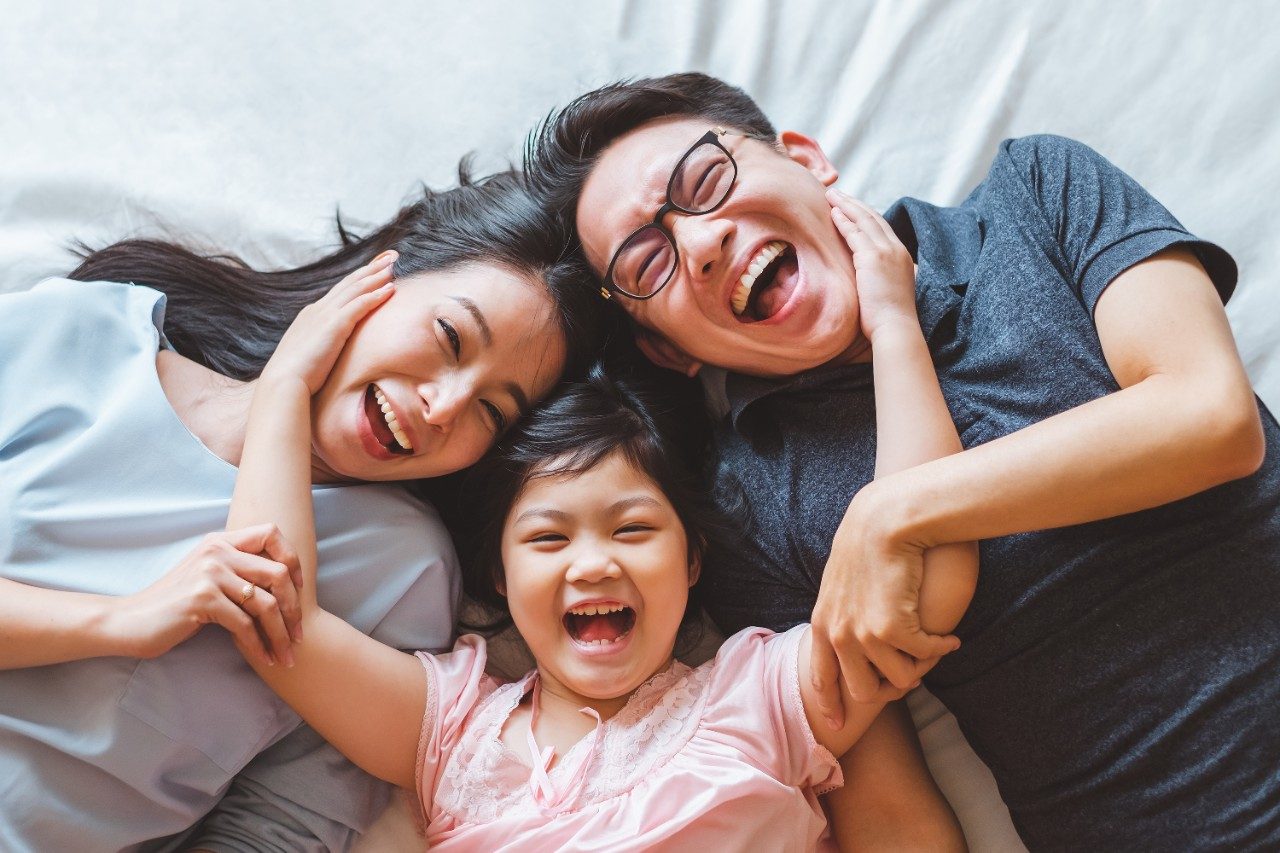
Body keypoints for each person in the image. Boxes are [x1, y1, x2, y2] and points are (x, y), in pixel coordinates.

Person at [522, 73, 1280, 849]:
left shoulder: (1039, 191)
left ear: (808, 160)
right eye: (647, 262)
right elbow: (890, 811)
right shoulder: (748, 510)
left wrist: (892, 514)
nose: (702, 241)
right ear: (665, 348)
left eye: (706, 179)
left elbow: (1212, 418)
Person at [214, 200, 973, 848]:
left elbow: (922, 574)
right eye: (549, 538)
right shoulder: (451, 731)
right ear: (500, 578)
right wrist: (285, 386)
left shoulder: (761, 696)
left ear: (693, 561)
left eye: (633, 530)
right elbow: (277, 616)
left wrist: (894, 329)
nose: (593, 564)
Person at [0, 171, 600, 851]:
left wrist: (287, 388)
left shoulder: (400, 568)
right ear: (382, 276)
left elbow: (281, 831)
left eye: (492, 410)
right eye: (451, 338)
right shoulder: (85, 329)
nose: (445, 405)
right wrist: (117, 622)